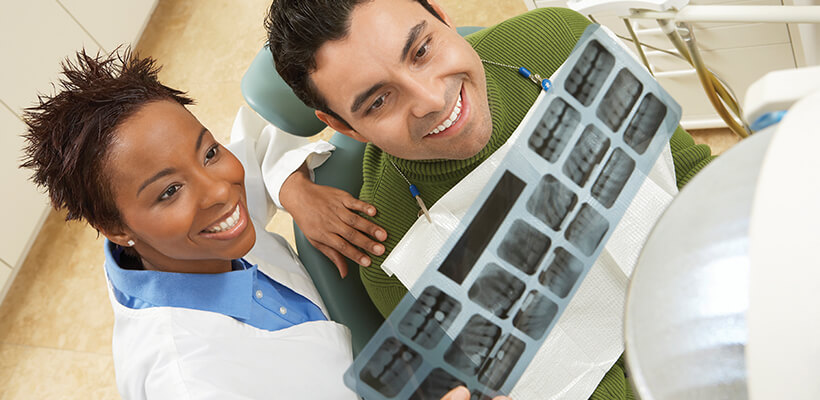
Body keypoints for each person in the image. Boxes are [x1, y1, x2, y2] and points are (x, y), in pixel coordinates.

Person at [265, 0, 715, 399]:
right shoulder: (389, 247)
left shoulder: (563, 42)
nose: (431, 98)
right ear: (344, 126)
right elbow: (539, 382)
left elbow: (689, 171)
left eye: (422, 51)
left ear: (442, 15)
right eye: (380, 100)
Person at [19, 49, 506, 400]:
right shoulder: (193, 381)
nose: (219, 189)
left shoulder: (184, 233)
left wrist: (292, 189)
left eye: (207, 152)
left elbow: (257, 135)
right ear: (114, 226)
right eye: (169, 192)